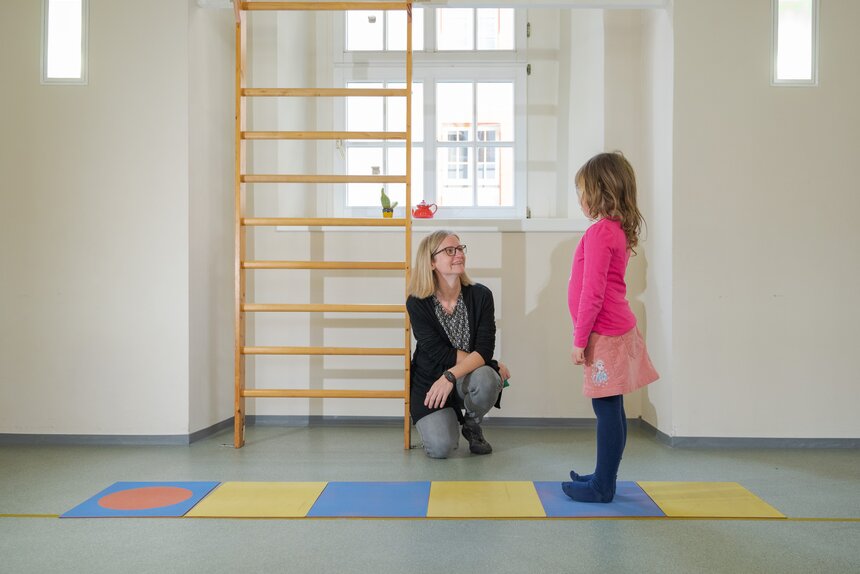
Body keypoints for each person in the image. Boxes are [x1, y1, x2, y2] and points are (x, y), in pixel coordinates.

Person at [564, 152, 659, 502]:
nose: (580, 199)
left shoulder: (600, 233)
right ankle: (604, 476)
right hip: (616, 331)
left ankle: (602, 486)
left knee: (606, 410)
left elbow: (593, 292)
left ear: (600, 192)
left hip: (604, 335)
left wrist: (580, 339)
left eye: (582, 191)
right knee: (612, 407)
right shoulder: (614, 230)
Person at [406, 230, 510, 459]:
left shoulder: (481, 296)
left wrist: (452, 375)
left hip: (461, 378)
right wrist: (487, 362)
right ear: (431, 262)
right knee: (440, 449)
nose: (459, 254)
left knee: (487, 378)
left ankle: (472, 425)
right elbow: (438, 351)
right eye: (450, 251)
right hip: (431, 382)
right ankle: (448, 420)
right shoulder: (417, 302)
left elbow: (484, 348)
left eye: (460, 249)